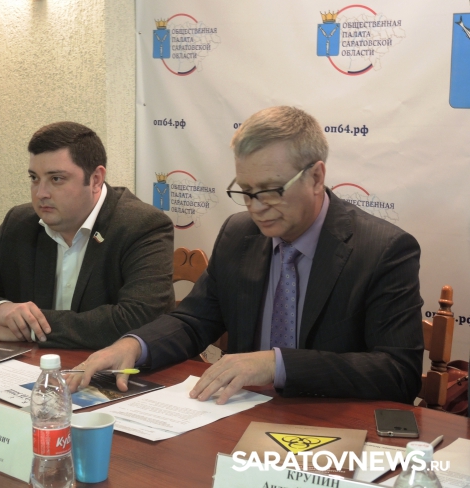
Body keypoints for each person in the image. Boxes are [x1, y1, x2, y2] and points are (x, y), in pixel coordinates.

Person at [68, 106, 424, 404]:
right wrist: (134, 345)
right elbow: (194, 321)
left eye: (270, 190)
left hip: (330, 422)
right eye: (246, 191)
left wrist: (278, 364)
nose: (256, 207)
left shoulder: (382, 250)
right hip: (240, 413)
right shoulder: (239, 234)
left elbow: (398, 372)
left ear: (316, 177)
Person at [0, 121, 175, 349]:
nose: (41, 193)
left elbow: (138, 319)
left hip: (112, 370)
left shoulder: (142, 226)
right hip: (32, 367)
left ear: (95, 179)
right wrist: (0, 310)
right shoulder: (21, 223)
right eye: (34, 178)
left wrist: (28, 328)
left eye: (56, 179)